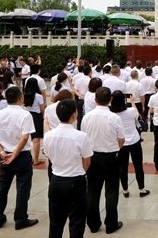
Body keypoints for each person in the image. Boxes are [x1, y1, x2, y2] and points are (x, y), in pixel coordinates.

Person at [0, 86, 38, 230]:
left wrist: (2, 152)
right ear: (20, 98)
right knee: (23, 188)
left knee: (3, 187)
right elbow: (24, 137)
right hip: (21, 155)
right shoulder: (25, 115)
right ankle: (20, 219)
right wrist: (15, 154)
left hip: (4, 155)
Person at [42, 99, 93, 238]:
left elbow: (48, 155)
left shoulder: (48, 135)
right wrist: (81, 172)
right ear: (74, 115)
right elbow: (87, 161)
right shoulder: (81, 136)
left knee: (56, 222)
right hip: (75, 180)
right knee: (77, 221)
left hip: (56, 180)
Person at [81, 87, 125, 234]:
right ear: (110, 100)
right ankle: (111, 224)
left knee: (93, 192)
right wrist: (114, 149)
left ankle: (93, 224)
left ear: (95, 100)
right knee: (111, 192)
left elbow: (83, 138)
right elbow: (121, 139)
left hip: (92, 157)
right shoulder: (115, 118)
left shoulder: (87, 117)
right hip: (110, 157)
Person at [109, 90, 150, 199]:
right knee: (138, 165)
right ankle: (141, 189)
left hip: (121, 143)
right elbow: (138, 116)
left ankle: (125, 190)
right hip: (134, 141)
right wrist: (132, 102)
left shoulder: (112, 114)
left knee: (122, 167)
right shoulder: (131, 111)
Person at [23, 77, 46, 166]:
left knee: (27, 138)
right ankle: (36, 159)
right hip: (36, 116)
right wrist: (43, 116)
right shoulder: (38, 96)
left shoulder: (24, 95)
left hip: (27, 115)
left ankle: (28, 159)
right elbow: (42, 108)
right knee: (36, 139)